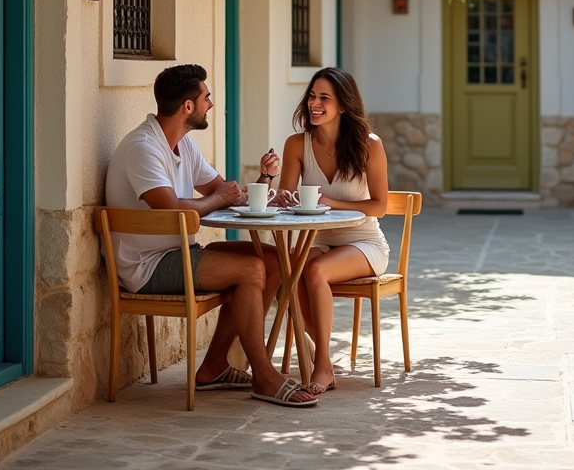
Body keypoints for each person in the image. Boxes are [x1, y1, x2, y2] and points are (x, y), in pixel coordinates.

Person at [104, 64, 317, 407]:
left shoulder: (183, 145)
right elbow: (169, 208)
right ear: (188, 107)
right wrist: (219, 199)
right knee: (251, 270)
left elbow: (221, 189)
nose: (211, 104)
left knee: (273, 261)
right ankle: (263, 375)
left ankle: (215, 367)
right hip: (147, 267)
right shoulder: (143, 148)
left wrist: (265, 188)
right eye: (207, 97)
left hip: (179, 255)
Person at [277, 67, 390, 395]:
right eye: (312, 95)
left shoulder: (370, 145)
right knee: (293, 268)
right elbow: (285, 200)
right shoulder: (297, 144)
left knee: (314, 269)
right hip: (319, 238)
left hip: (364, 243)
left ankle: (322, 366)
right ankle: (320, 356)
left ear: (343, 105)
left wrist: (329, 202)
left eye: (324, 97)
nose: (315, 103)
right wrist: (272, 185)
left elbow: (380, 206)